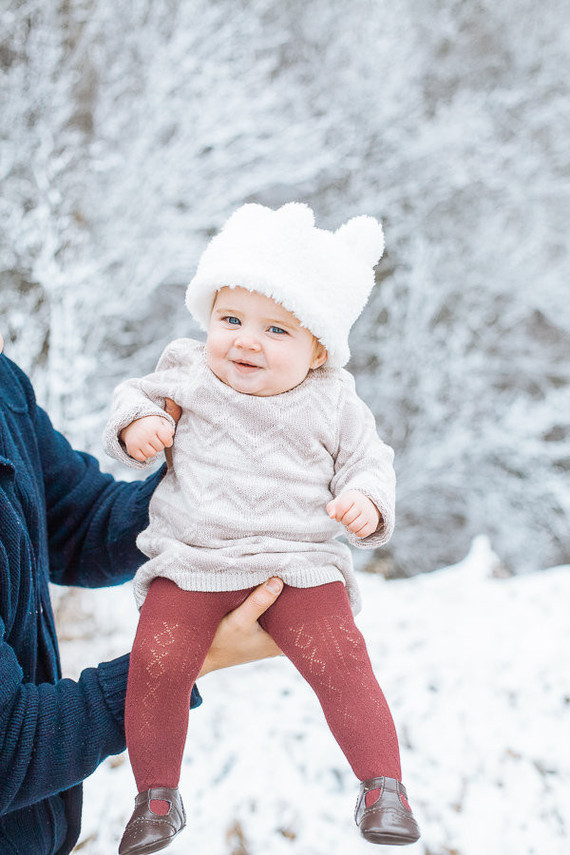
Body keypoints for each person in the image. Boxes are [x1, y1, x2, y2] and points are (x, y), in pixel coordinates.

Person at [104, 203, 421, 854]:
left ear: (318, 349)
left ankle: (382, 785)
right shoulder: (188, 368)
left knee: (342, 659)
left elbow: (370, 461)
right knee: (157, 663)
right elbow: (131, 395)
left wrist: (364, 497)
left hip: (296, 563)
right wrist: (138, 426)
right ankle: (156, 796)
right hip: (191, 559)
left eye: (276, 329)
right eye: (231, 319)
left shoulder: (333, 398)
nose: (246, 340)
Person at [0, 329, 285, 855]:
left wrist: (200, 485)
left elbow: (76, 521)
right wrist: (178, 661)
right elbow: (8, 750)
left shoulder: (3, 384)